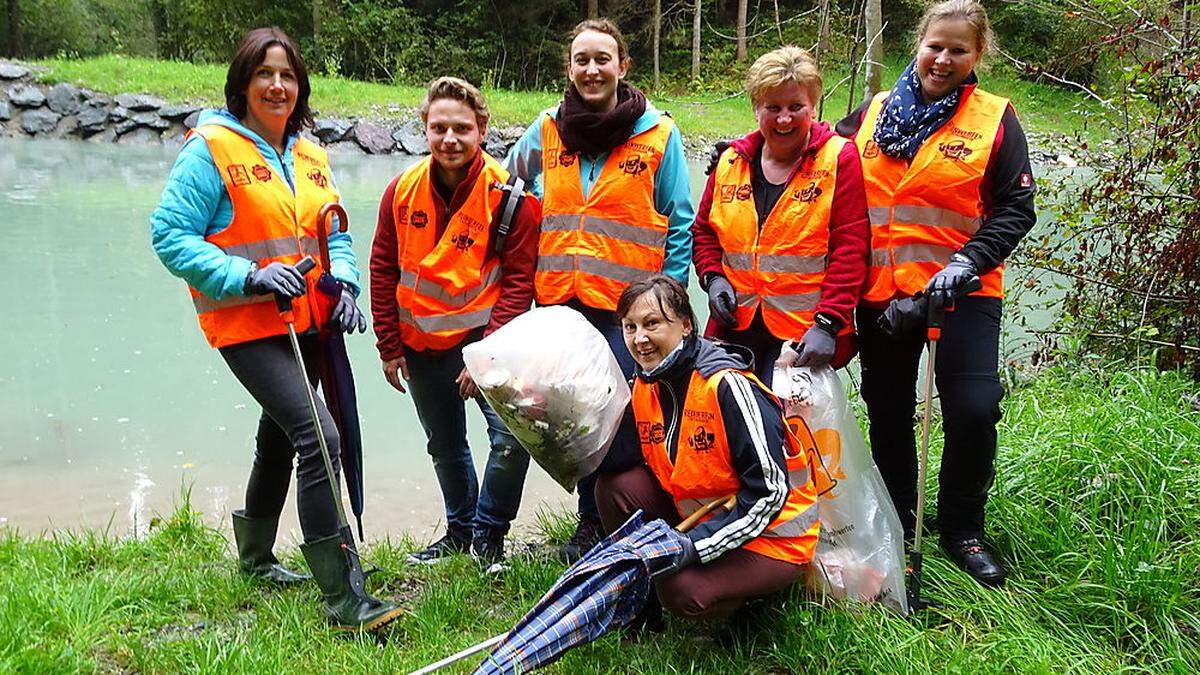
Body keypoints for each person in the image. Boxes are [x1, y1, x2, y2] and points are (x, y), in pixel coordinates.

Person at [150, 27, 401, 630]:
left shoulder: (312, 155)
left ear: (301, 86)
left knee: (283, 437)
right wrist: (246, 275)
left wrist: (343, 288)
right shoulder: (210, 148)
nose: (277, 85)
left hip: (307, 323)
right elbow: (169, 235)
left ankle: (257, 559)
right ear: (242, 83)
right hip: (246, 323)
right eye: (265, 73)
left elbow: (334, 234)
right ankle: (344, 598)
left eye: (288, 75)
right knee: (321, 436)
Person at [836, 0, 1036, 586]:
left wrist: (967, 262)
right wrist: (745, 150)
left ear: (978, 56)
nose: (943, 59)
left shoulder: (994, 118)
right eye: (935, 46)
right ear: (917, 44)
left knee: (974, 410)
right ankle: (901, 520)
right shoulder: (873, 112)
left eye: (959, 49)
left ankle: (962, 529)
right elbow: (816, 151)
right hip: (883, 296)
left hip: (961, 293)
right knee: (890, 413)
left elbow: (1016, 208)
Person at [504, 18, 695, 561]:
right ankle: (589, 528)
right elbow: (507, 186)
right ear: (570, 68)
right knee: (572, 421)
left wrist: (668, 305)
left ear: (622, 66)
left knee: (621, 427)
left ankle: (626, 524)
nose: (592, 69)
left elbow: (678, 221)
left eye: (602, 59)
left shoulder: (659, 133)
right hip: (562, 306)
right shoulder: (545, 129)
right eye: (582, 60)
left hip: (627, 313)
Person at [370, 77, 539, 568]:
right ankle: (459, 532)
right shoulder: (399, 191)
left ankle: (489, 535)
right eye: (439, 127)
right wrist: (388, 345)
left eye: (461, 128)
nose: (449, 139)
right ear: (424, 128)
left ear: (482, 129)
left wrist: (485, 357)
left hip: (483, 342)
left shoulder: (511, 198)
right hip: (420, 345)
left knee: (511, 440)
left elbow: (518, 283)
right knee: (444, 445)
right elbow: (382, 266)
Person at [595, 275, 821, 623]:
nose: (639, 339)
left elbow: (770, 494)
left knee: (681, 590)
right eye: (629, 327)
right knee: (614, 488)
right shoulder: (645, 382)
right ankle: (641, 613)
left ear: (685, 325)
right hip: (705, 516)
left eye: (652, 324)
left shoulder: (727, 385)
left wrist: (694, 547)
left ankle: (742, 613)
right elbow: (618, 459)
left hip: (773, 536)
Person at [693, 46, 869, 385]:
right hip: (734, 330)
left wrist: (828, 323)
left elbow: (851, 248)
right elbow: (703, 233)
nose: (784, 118)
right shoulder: (731, 161)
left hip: (805, 337)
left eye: (795, 107)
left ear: (813, 107)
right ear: (757, 109)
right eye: (772, 107)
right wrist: (713, 279)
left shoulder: (839, 159)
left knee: (793, 435)